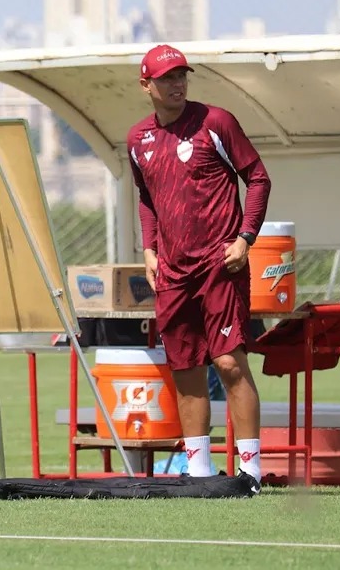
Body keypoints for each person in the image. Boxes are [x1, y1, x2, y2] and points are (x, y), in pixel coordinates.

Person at [126, 44, 272, 490]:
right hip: (172, 273)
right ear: (146, 84)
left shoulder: (216, 122)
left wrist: (245, 238)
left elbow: (259, 178)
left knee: (228, 362)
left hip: (219, 265)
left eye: (182, 76)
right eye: (167, 77)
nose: (177, 84)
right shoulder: (138, 140)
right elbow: (147, 199)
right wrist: (149, 250)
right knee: (186, 367)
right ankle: (199, 471)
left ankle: (250, 471)